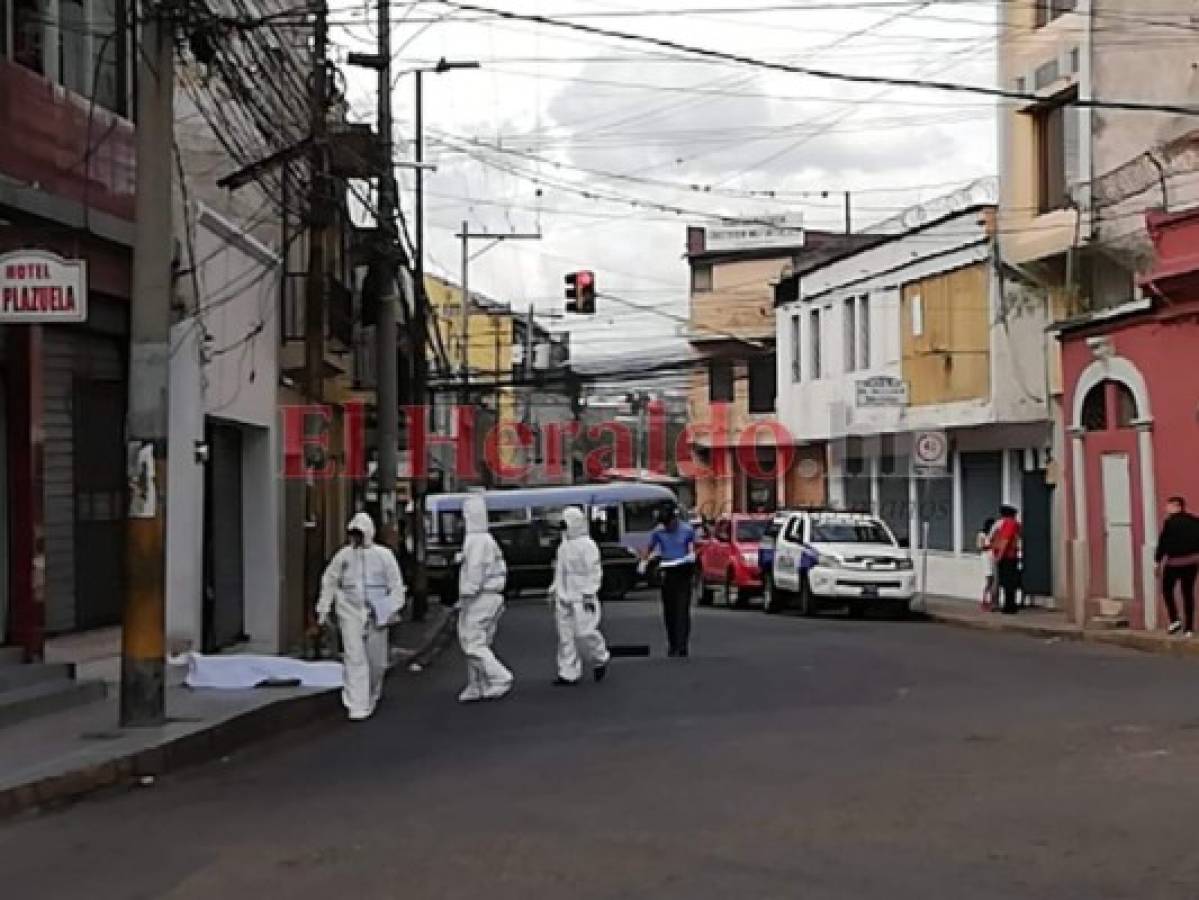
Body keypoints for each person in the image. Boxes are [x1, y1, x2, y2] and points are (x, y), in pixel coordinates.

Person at [316, 513, 406, 721]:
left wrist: (389, 607)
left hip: (377, 613)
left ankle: (371, 694)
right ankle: (356, 704)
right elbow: (329, 580)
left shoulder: (384, 556)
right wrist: (324, 609)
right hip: (350, 611)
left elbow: (396, 587)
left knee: (377, 662)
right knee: (354, 657)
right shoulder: (344, 556)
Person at [456, 495, 514, 702]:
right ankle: (476, 684)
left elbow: (475, 572)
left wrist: (465, 594)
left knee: (472, 642)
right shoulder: (485, 539)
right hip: (490, 597)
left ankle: (500, 677)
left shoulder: (476, 541)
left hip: (480, 598)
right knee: (480, 641)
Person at [549, 507, 611, 686]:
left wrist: (589, 592)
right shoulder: (564, 546)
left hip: (582, 596)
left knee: (585, 632)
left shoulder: (588, 545)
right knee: (565, 636)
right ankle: (568, 672)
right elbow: (560, 570)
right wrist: (555, 588)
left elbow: (594, 571)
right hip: (564, 595)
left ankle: (600, 656)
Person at [644, 503, 697, 657]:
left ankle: (681, 644)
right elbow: (650, 548)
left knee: (682, 609)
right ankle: (672, 643)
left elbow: (693, 548)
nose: (668, 526)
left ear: (675, 518)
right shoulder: (658, 532)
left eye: (670, 523)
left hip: (683, 570)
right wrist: (645, 561)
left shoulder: (687, 530)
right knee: (669, 610)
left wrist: (691, 556)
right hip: (667, 571)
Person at [1155, 496, 1199, 637]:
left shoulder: (1169, 523)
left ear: (1177, 506)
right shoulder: (1195, 521)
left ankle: (1174, 619)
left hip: (1174, 563)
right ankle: (1189, 628)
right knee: (1188, 594)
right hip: (1192, 562)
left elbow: (1163, 543)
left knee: (1167, 590)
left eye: (1169, 506)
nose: (1166, 509)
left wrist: (1157, 561)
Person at [991, 505, 1022, 615]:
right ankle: (1010, 604)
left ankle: (1009, 606)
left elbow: (1005, 540)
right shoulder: (1015, 524)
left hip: (1007, 556)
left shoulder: (1009, 523)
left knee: (1007, 582)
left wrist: (999, 556)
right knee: (1009, 581)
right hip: (1011, 556)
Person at [977, 517, 997, 611]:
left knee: (992, 580)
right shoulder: (982, 534)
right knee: (989, 579)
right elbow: (981, 546)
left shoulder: (993, 534)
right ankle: (985, 600)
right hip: (986, 556)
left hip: (992, 556)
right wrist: (991, 545)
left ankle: (992, 601)